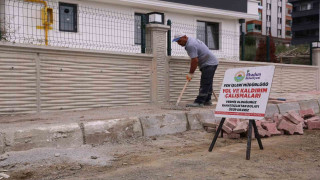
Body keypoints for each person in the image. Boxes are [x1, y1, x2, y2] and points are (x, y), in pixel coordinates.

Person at [173, 33, 219, 107]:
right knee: (208, 82)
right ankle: (207, 100)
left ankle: (199, 102)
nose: (179, 43)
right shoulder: (191, 40)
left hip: (209, 63)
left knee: (205, 82)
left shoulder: (190, 45)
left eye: (179, 41)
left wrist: (190, 73)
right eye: (177, 42)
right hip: (209, 63)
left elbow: (195, 60)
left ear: (184, 37)